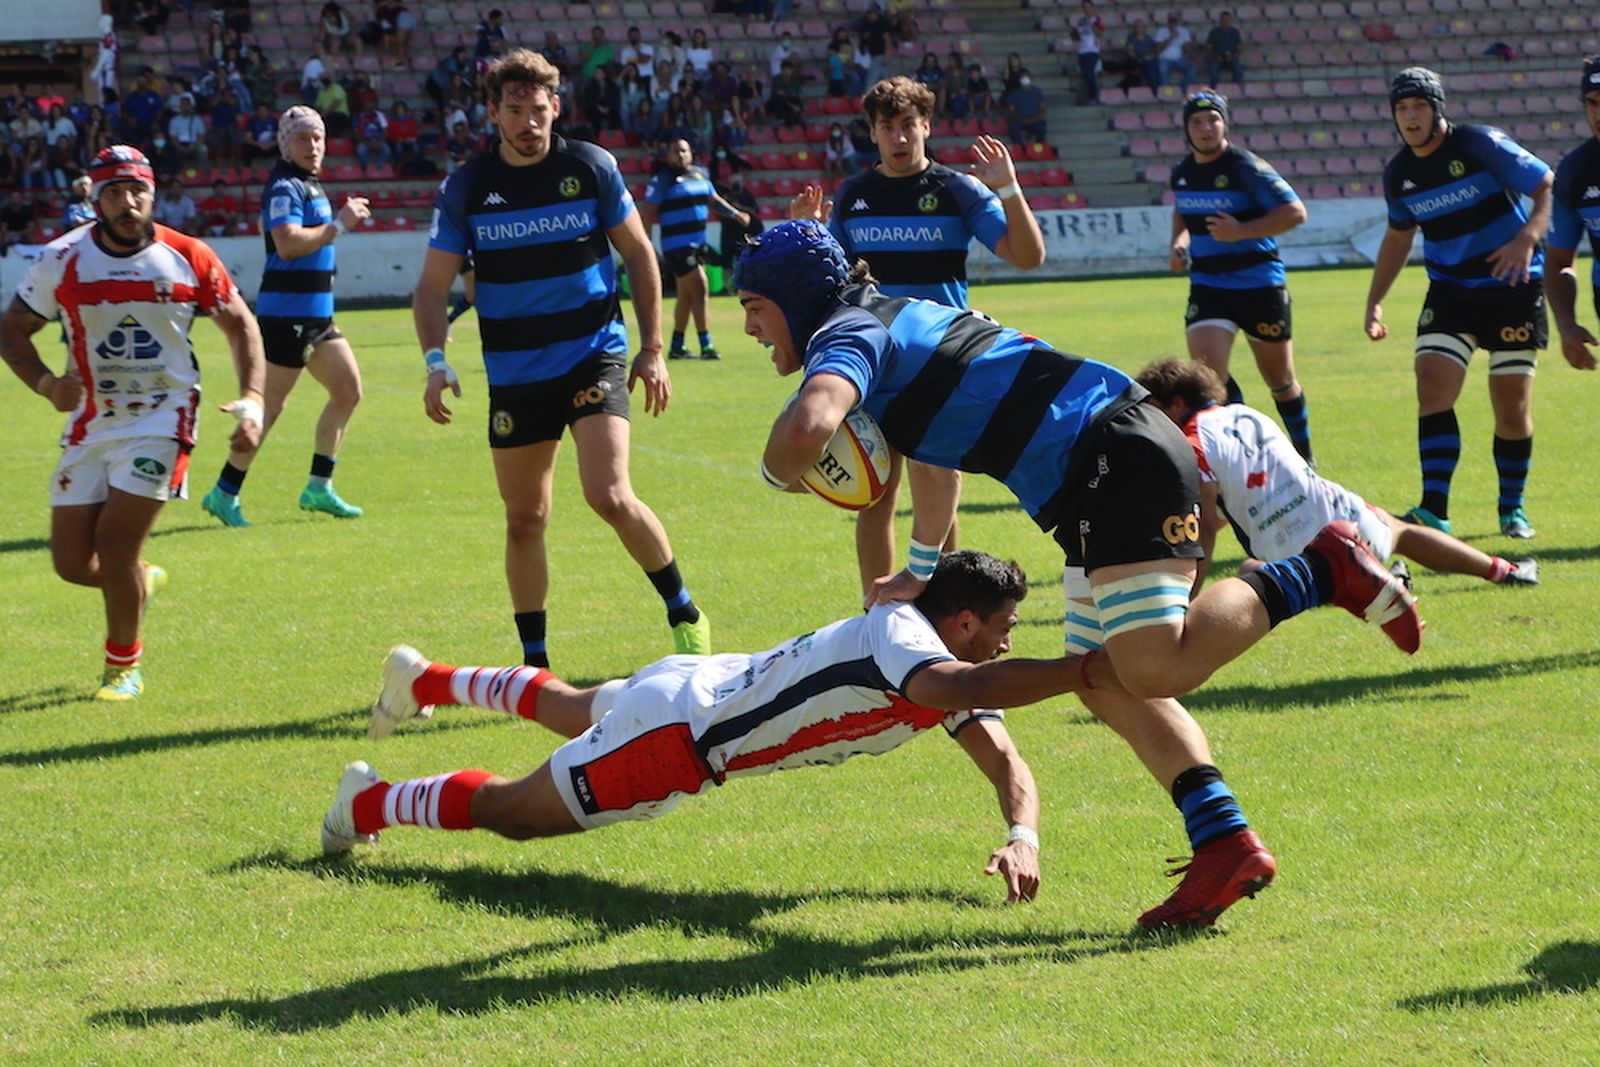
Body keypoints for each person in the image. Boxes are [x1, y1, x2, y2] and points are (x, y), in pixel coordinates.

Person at [739, 220, 1428, 927]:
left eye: (755, 308)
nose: (750, 329)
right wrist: (920, 570)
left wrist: (775, 469)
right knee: (1105, 677)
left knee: (1156, 666)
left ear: (795, 298)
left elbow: (807, 429)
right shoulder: (885, 319)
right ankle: (1223, 840)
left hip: (1113, 456)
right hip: (1094, 469)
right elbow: (933, 457)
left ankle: (1321, 566)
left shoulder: (847, 332)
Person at [325, 551, 1051, 905]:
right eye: (1005, 627)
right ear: (962, 622)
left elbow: (1006, 762)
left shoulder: (926, 648)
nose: (1009, 640)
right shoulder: (923, 661)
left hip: (692, 683)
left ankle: (424, 679)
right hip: (678, 738)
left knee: (573, 704)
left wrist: (1024, 836)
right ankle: (363, 804)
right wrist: (1085, 670)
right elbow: (981, 690)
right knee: (513, 813)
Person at [411, 49, 711, 669]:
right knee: (526, 518)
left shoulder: (590, 167)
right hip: (517, 374)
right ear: (493, 113)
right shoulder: (468, 186)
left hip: (592, 355)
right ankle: (536, 667)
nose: (528, 122)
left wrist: (653, 349)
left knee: (609, 493)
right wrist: (436, 360)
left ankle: (684, 611)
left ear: (556, 108)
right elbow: (433, 287)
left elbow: (638, 256)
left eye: (538, 109)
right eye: (514, 110)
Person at [0, 146, 265, 700]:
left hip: (164, 418)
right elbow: (12, 330)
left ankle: (123, 667)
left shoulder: (188, 254)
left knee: (116, 544)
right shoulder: (62, 259)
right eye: (114, 192)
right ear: (95, 198)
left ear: (153, 193)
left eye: (137, 190)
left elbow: (240, 324)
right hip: (91, 423)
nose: (128, 202)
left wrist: (254, 399)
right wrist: (48, 384)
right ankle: (141, 581)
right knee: (72, 563)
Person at [801, 76, 1045, 592]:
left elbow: (1028, 256)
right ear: (872, 133)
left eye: (909, 124)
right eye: (887, 126)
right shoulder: (854, 196)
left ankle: (948, 609)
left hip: (941, 364)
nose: (900, 136)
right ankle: (877, 617)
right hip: (875, 363)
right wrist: (807, 236)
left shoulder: (958, 190)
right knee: (875, 493)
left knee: (937, 486)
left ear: (927, 126)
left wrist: (1009, 187)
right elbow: (830, 286)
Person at [1136, 359, 1537, 591]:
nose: (1152, 421)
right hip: (1334, 508)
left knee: (1250, 572)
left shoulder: (1190, 443)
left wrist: (1188, 595)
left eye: (1154, 409)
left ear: (1176, 401)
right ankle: (1505, 570)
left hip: (1291, 546)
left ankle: (1372, 582)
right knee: (1400, 532)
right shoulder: (1245, 413)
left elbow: (1205, 523)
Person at [1363, 67, 1553, 540]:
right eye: (1401, 109)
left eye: (1419, 107)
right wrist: (1375, 301)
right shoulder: (1400, 174)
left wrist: (1527, 238)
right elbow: (1398, 237)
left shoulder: (1480, 145)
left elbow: (1547, 185)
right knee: (1432, 386)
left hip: (1513, 286)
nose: (1410, 118)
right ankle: (1434, 510)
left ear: (1437, 108)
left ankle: (1512, 509)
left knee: (1510, 406)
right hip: (1450, 291)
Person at [199, 107, 372, 527]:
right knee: (269, 408)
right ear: (285, 143)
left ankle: (319, 487)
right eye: (303, 139)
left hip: (316, 317)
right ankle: (224, 491)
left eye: (317, 138)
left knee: (348, 391)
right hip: (287, 317)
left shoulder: (310, 186)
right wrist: (340, 226)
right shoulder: (284, 187)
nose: (312, 146)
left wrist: (336, 226)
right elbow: (289, 244)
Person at [1167, 90, 1313, 461]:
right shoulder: (1182, 174)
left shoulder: (1245, 166)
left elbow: (1295, 212)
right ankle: (1244, 453)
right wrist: (1179, 244)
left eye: (1213, 119)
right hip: (1209, 285)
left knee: (1280, 382)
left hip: (1259, 284)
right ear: (1186, 128)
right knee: (1207, 377)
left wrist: (1241, 231)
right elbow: (1183, 214)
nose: (1205, 127)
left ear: (1225, 123)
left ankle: (1303, 458)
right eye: (1197, 122)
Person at [642, 138, 750, 360]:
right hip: (676, 247)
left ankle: (676, 346)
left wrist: (736, 214)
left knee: (686, 296)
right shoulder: (663, 180)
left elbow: (714, 200)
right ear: (668, 155)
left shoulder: (699, 174)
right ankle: (706, 344)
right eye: (675, 151)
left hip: (697, 245)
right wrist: (647, 246)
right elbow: (647, 212)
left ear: (691, 153)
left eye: (683, 150)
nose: (680, 155)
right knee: (700, 286)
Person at [1546, 56, 1600, 374]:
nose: (1598, 114)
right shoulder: (1574, 173)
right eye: (1592, 103)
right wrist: (1567, 326)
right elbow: (1557, 261)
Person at [1071, 0, 1104, 106]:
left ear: (1092, 8)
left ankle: (1094, 96)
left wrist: (1092, 26)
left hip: (1092, 50)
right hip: (1082, 50)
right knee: (1086, 74)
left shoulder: (1097, 19)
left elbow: (1100, 33)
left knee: (1089, 73)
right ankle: (1092, 96)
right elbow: (1077, 37)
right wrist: (1072, 33)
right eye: (1085, 7)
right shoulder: (1080, 21)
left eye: (1089, 7)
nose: (1087, 9)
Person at [1001, 70, 1046, 144]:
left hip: (1035, 120)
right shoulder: (1015, 93)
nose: (1025, 79)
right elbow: (1011, 110)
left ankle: (1038, 148)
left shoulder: (1037, 92)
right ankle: (1021, 149)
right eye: (1022, 77)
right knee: (1013, 128)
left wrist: (1035, 118)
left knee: (1041, 128)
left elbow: (1042, 108)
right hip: (1019, 121)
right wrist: (1021, 119)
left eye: (1026, 77)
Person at [1205, 11, 1244, 86]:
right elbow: (1208, 48)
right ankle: (1214, 89)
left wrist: (1233, 56)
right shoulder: (1214, 32)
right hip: (1217, 57)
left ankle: (1235, 87)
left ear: (1230, 20)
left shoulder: (1235, 32)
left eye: (1227, 19)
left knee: (1239, 69)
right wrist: (1215, 56)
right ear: (1220, 20)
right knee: (1213, 69)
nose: (1225, 21)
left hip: (1231, 57)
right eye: (1223, 19)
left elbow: (1239, 48)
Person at [1155, 13, 1192, 91]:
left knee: (1192, 69)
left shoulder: (1184, 31)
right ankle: (1168, 93)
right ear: (1168, 22)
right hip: (1164, 58)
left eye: (1175, 21)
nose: (1173, 23)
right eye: (1171, 21)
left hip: (1179, 58)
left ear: (1178, 22)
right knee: (1162, 70)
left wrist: (1187, 48)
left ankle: (1184, 90)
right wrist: (1171, 37)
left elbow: (1188, 48)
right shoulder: (1161, 31)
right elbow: (1158, 49)